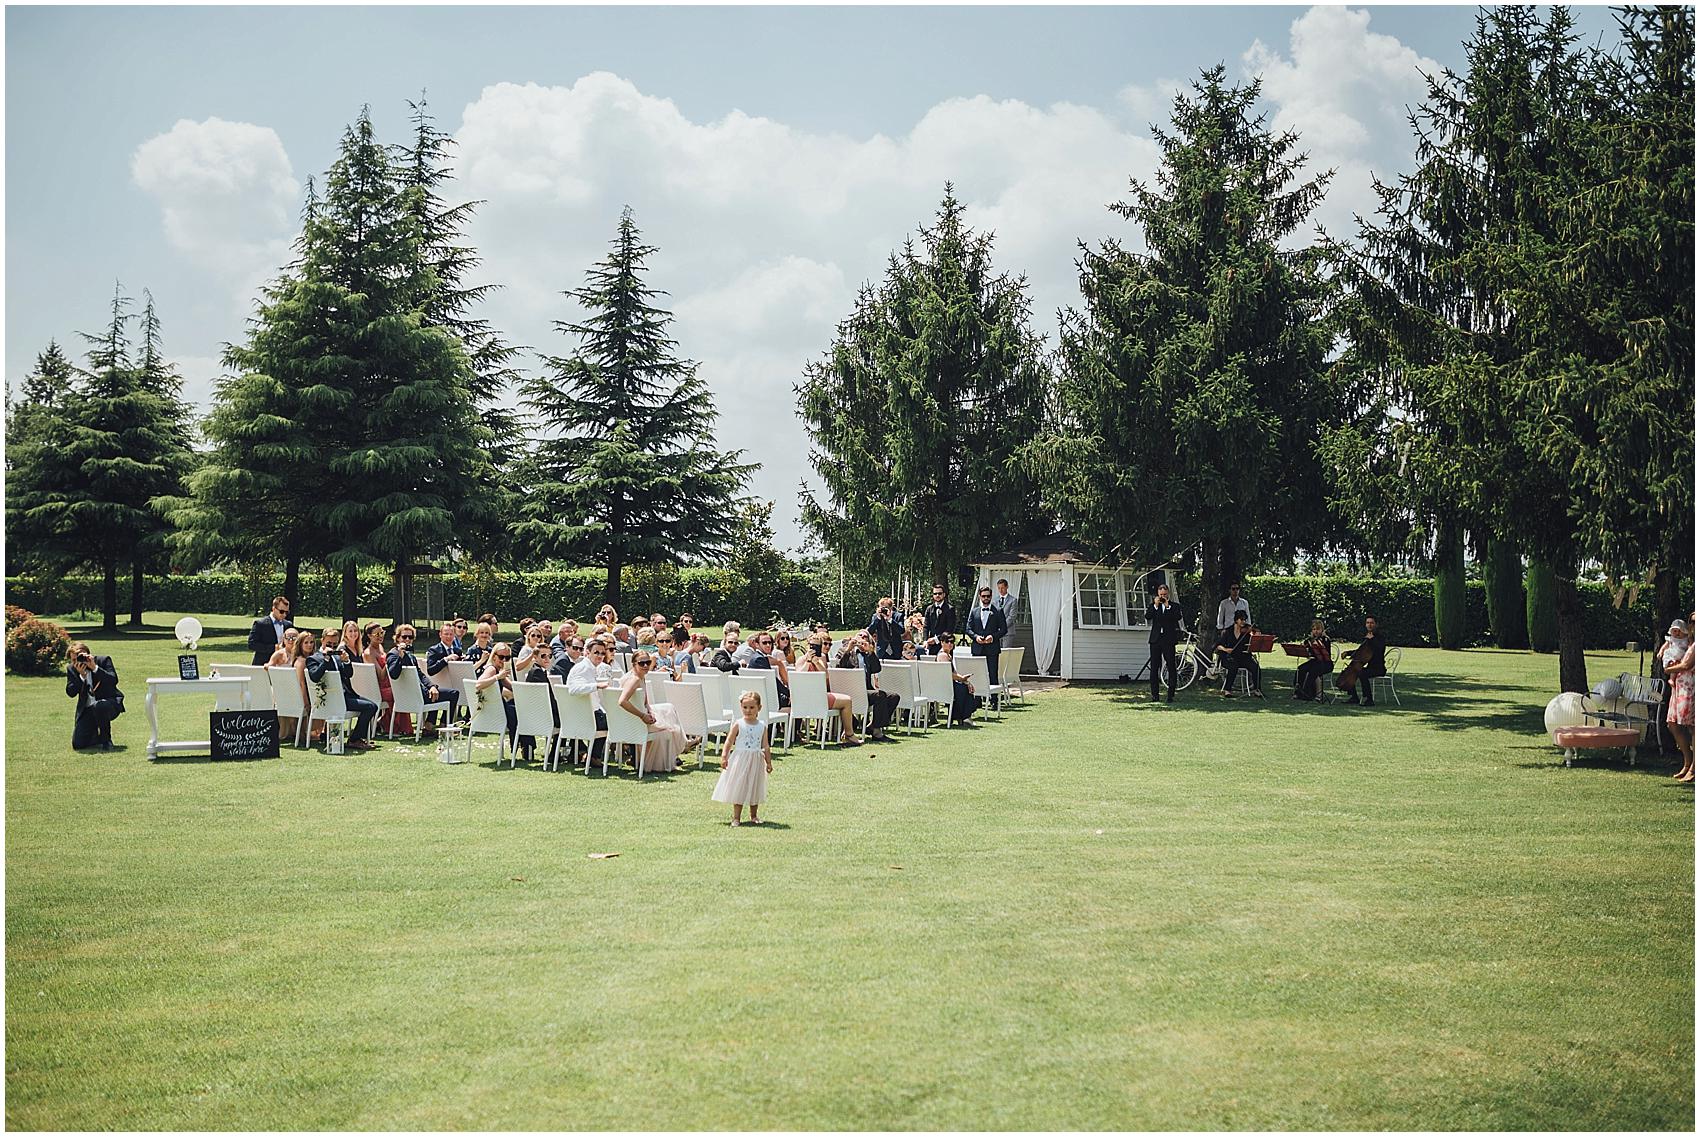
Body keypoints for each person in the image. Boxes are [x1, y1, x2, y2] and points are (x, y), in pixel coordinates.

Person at [306, 625, 378, 749]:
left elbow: (349, 674)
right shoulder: (314, 658)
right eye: (329, 644)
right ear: (322, 641)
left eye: (334, 645)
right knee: (370, 707)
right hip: (330, 699)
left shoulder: (337, 657)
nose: (332, 647)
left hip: (345, 695)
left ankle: (355, 737)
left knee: (373, 705)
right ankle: (355, 740)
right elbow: (314, 676)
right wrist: (326, 659)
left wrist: (346, 661)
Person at [616, 653, 687, 773]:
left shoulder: (640, 677)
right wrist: (643, 715)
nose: (645, 666)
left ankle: (682, 745)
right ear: (633, 664)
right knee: (670, 730)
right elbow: (622, 701)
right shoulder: (634, 680)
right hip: (635, 723)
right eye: (641, 663)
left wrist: (649, 711)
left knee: (668, 709)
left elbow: (644, 702)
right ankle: (683, 746)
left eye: (648, 663)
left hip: (634, 719)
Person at [712, 689, 773, 826]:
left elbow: (765, 746)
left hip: (756, 760)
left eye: (752, 707)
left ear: (759, 708)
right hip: (740, 759)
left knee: (755, 786)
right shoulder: (739, 724)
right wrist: (724, 756)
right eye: (745, 707)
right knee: (739, 786)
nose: (748, 710)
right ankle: (736, 817)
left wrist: (768, 762)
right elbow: (729, 741)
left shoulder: (762, 726)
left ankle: (754, 815)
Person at [800, 632, 861, 745]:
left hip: (819, 696)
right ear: (808, 646)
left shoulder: (821, 658)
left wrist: (816, 663)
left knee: (847, 699)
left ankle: (847, 733)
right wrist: (808, 662)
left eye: (817, 646)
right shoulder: (801, 660)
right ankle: (849, 735)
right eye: (812, 646)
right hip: (809, 698)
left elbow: (826, 676)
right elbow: (799, 677)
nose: (815, 649)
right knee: (847, 701)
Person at [839, 631, 899, 741]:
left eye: (865, 637)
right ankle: (877, 732)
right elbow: (839, 666)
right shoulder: (845, 651)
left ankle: (873, 725)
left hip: (866, 690)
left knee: (894, 696)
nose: (862, 638)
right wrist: (848, 649)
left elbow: (877, 669)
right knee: (880, 695)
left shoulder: (868, 655)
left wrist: (871, 652)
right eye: (860, 635)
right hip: (851, 690)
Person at [562, 637, 610, 770]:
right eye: (596, 652)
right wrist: (596, 685)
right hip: (583, 716)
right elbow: (573, 689)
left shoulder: (592, 668)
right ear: (587, 653)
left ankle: (593, 756)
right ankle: (594, 756)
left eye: (602, 653)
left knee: (610, 717)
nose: (600, 656)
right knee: (615, 721)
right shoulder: (583, 668)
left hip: (589, 712)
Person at [65, 642, 124, 750]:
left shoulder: (103, 661)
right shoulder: (72, 669)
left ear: (88, 654)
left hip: (109, 704)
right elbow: (71, 692)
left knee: (99, 706)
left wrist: (95, 668)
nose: (78, 662)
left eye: (80, 657)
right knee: (78, 744)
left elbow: (113, 680)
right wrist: (81, 676)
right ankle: (95, 737)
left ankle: (106, 740)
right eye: (74, 660)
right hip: (88, 709)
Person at [1660, 617, 1694, 783]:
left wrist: (1669, 670)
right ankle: (1687, 762)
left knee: (1692, 726)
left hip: (1690, 688)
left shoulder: (1693, 644)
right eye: (1692, 621)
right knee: (1672, 724)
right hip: (1679, 688)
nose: (1693, 625)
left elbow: (1686, 665)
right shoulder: (1687, 641)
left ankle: (1693, 767)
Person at [473, 643, 520, 757]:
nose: (504, 660)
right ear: (494, 656)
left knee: (517, 706)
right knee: (519, 713)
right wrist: (498, 677)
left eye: (507, 658)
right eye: (501, 657)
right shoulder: (492, 669)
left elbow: (514, 688)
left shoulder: (498, 670)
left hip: (493, 709)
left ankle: (522, 747)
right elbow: (478, 684)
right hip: (494, 712)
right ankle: (522, 748)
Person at [1146, 583, 1186, 702]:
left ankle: (1170, 695)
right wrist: (1156, 605)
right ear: (1158, 594)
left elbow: (1177, 617)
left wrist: (1167, 606)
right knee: (1154, 667)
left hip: (1168, 639)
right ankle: (1155, 695)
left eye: (1164, 594)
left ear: (1167, 593)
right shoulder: (1154, 605)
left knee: (1171, 666)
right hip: (1156, 640)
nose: (1162, 596)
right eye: (1161, 594)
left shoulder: (1174, 606)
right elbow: (1148, 616)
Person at [362, 622, 402, 736]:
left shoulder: (380, 647)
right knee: (398, 693)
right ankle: (389, 725)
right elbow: (381, 675)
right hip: (377, 688)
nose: (380, 636)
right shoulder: (368, 653)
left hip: (388, 685)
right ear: (369, 636)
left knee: (402, 689)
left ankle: (390, 723)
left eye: (382, 633)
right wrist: (391, 659)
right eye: (377, 634)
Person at [421, 622, 465, 724]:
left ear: (454, 635)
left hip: (453, 684)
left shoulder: (458, 651)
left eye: (451, 634)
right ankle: (444, 724)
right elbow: (430, 670)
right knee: (453, 694)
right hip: (436, 686)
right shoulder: (434, 650)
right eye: (446, 634)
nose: (448, 637)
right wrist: (445, 660)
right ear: (440, 635)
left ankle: (443, 723)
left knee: (455, 692)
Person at [966, 585, 1007, 689]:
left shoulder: (998, 611)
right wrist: (976, 637)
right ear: (980, 596)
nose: (986, 598)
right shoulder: (974, 611)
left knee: (993, 675)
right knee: (976, 675)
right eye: (983, 596)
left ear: (991, 596)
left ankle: (994, 700)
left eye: (988, 596)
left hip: (992, 649)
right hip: (977, 648)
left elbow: (1003, 629)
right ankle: (977, 700)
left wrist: (992, 637)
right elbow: (968, 629)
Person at [1339, 615, 1387, 706]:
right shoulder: (1368, 637)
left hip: (1379, 669)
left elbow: (1379, 649)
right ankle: (1354, 697)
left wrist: (1371, 639)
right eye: (1367, 623)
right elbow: (1361, 650)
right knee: (1352, 671)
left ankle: (1368, 699)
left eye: (1372, 623)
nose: (1369, 625)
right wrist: (1348, 653)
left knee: (1362, 674)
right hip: (1370, 667)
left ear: (1376, 624)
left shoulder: (1380, 638)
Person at [1215, 612, 1263, 698]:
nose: (1243, 622)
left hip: (1243, 657)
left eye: (1245, 620)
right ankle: (1227, 690)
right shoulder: (1227, 631)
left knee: (1256, 667)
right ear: (1236, 620)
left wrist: (1255, 635)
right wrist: (1226, 649)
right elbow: (1218, 646)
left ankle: (1257, 689)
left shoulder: (1247, 633)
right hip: (1228, 657)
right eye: (1242, 619)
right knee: (1233, 667)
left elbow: (1256, 637)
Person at [742, 630, 792, 708]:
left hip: (764, 697)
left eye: (770, 642)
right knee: (799, 701)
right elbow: (773, 681)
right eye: (764, 643)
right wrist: (789, 694)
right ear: (757, 644)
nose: (768, 645)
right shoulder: (759, 659)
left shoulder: (757, 657)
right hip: (768, 701)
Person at [937, 636, 979, 724]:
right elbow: (948, 674)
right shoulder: (943, 656)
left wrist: (965, 681)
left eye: (951, 642)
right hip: (945, 685)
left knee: (966, 687)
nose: (950, 644)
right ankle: (964, 717)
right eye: (947, 642)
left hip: (950, 683)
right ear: (942, 642)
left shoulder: (948, 655)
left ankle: (963, 717)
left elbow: (954, 673)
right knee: (963, 689)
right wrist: (962, 679)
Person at [1294, 619, 1334, 702]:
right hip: (1315, 662)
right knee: (1301, 668)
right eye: (1314, 629)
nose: (1316, 631)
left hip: (1326, 663)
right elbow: (1305, 647)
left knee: (1314, 671)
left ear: (1322, 630)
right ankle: (1298, 691)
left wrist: (1318, 642)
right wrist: (1309, 642)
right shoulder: (1310, 639)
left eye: (1318, 629)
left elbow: (1326, 653)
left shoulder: (1326, 639)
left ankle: (1309, 693)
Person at [248, 595, 294, 665]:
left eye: (286, 612)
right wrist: (273, 647)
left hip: (284, 663)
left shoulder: (288, 625)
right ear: (273, 609)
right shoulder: (260, 624)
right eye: (281, 611)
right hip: (263, 663)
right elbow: (252, 644)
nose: (284, 615)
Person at [922, 585, 955, 655]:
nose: (937, 595)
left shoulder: (950, 609)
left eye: (939, 593)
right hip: (931, 645)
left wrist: (936, 639)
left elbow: (950, 628)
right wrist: (925, 640)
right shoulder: (929, 609)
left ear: (944, 594)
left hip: (945, 644)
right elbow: (926, 626)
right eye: (935, 594)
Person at [991, 578, 1020, 649]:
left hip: (1008, 632)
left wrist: (1002, 627)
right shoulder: (994, 600)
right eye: (999, 588)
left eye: (1002, 588)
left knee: (1005, 653)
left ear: (1007, 587)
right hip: (996, 632)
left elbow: (1012, 617)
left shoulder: (1013, 600)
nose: (1000, 590)